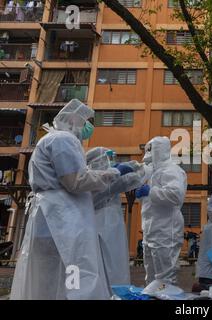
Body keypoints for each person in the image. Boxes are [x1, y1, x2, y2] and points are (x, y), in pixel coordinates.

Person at [10, 99, 134, 300]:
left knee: (53, 274)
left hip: (53, 217)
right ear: (74, 119)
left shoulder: (53, 139)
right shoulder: (63, 140)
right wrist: (111, 173)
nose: (88, 127)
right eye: (86, 121)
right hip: (61, 219)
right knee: (75, 270)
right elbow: (75, 181)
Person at [86, 147, 145, 287]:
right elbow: (124, 182)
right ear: (99, 161)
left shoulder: (101, 177)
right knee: (109, 267)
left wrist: (127, 169)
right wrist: (141, 170)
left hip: (110, 227)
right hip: (103, 228)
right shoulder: (97, 180)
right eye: (109, 158)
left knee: (115, 264)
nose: (112, 162)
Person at [135, 136, 187, 292]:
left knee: (165, 277)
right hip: (151, 230)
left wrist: (150, 192)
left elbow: (175, 196)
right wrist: (142, 194)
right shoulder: (153, 173)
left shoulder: (172, 171)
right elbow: (151, 203)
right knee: (151, 278)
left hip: (166, 229)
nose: (148, 162)